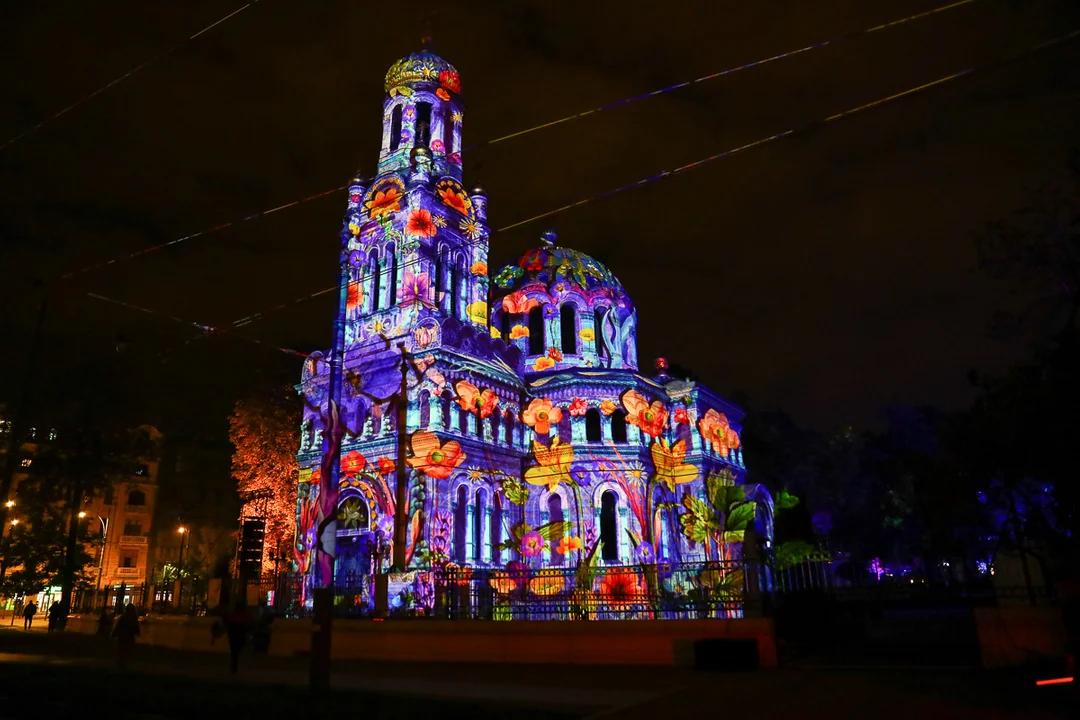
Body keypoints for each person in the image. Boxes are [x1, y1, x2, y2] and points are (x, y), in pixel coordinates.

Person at [224, 601, 253, 674]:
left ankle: (234, 662)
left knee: (234, 648)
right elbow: (250, 621)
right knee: (238, 648)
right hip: (240, 632)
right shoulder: (244, 615)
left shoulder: (232, 615)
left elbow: (226, 620)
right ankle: (234, 662)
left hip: (233, 632)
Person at [112, 605, 140, 670]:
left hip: (123, 638)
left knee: (122, 651)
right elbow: (136, 630)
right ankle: (123, 664)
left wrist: (114, 634)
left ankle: (121, 664)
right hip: (128, 638)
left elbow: (118, 627)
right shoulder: (133, 619)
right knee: (125, 652)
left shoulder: (123, 618)